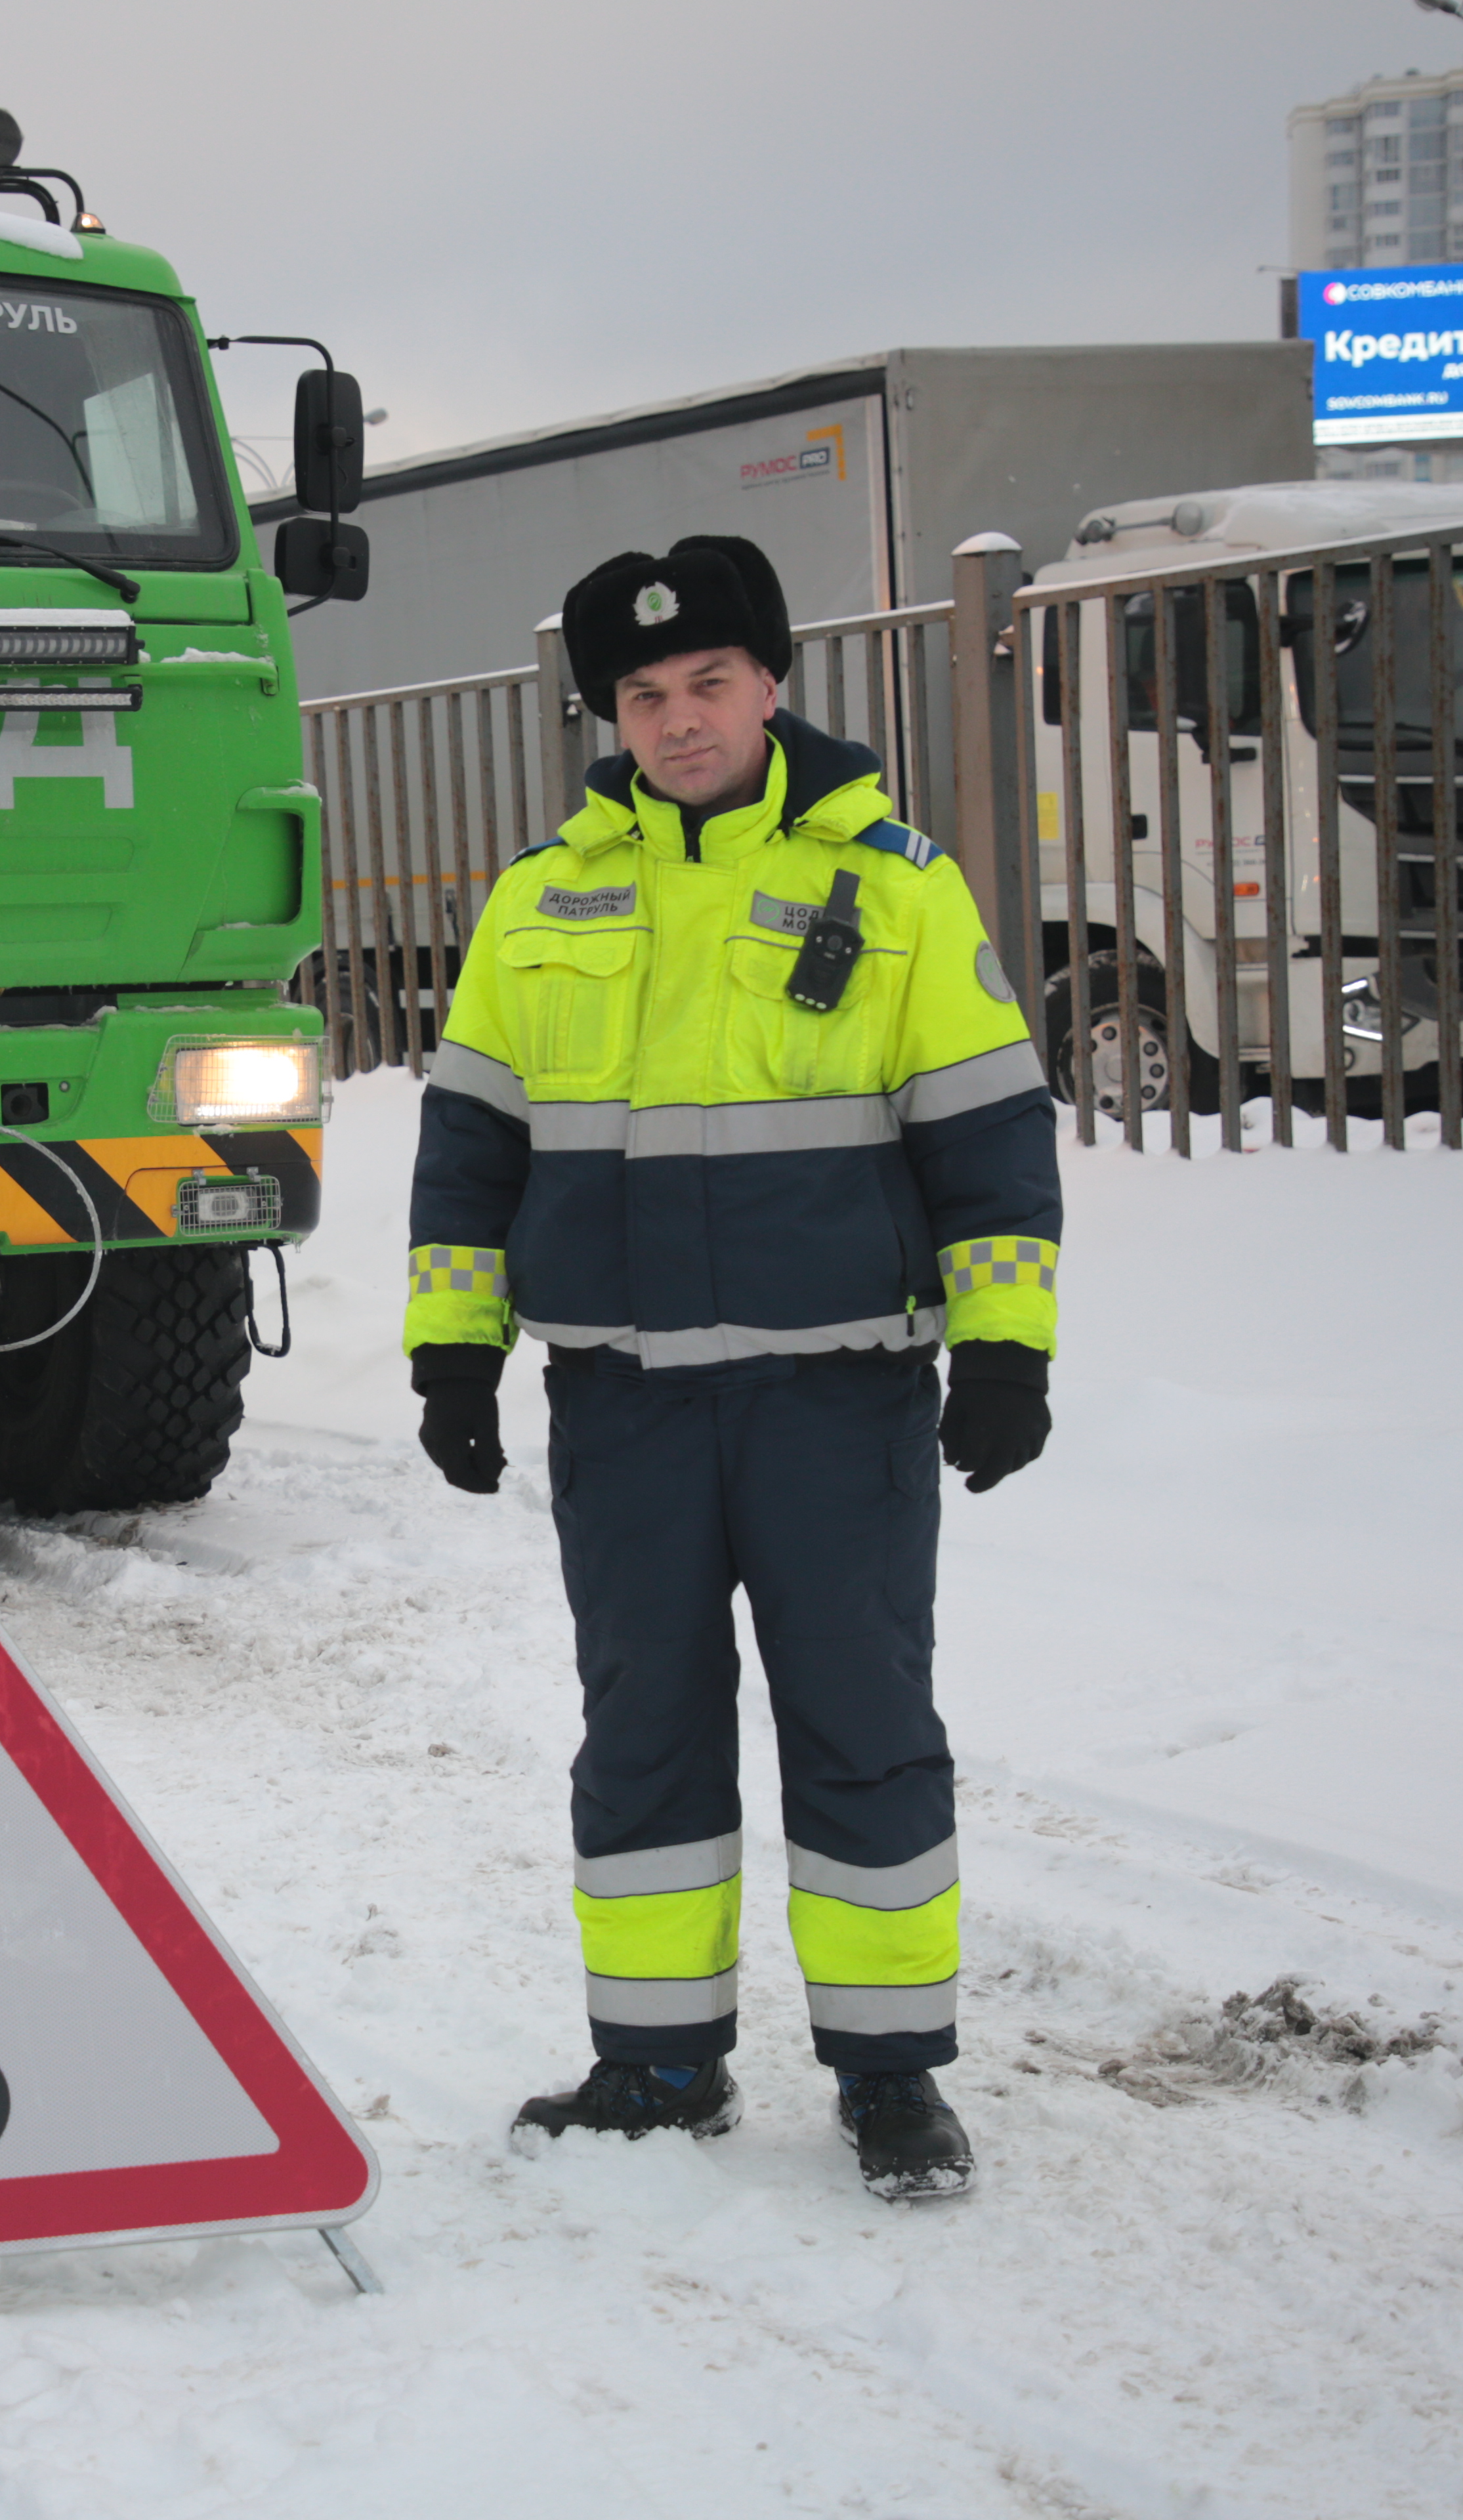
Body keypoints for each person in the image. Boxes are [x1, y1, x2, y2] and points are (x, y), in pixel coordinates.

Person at [404, 536, 1060, 2202]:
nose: (677, 718)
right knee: (642, 1730)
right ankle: (657, 2059)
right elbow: (468, 1148)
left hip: (828, 1396)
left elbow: (986, 1139)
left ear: (771, 684)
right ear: (607, 715)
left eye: (707, 681)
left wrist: (1001, 1349)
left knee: (860, 1723)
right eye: (642, 693)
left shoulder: (893, 884)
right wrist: (449, 1355)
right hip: (618, 1401)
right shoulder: (536, 897)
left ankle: (891, 2077)